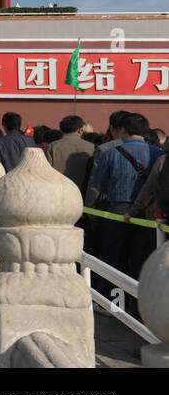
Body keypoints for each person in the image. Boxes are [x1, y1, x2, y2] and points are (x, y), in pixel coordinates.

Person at [90, 112, 163, 318]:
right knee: (141, 260)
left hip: (117, 210)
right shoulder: (157, 155)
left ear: (122, 130)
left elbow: (100, 184)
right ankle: (140, 309)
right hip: (147, 215)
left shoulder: (111, 154)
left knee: (114, 259)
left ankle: (114, 306)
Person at [45, 115, 94, 191]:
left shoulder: (52, 146)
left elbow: (46, 172)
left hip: (58, 190)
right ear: (80, 130)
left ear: (61, 130)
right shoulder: (91, 147)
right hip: (83, 192)